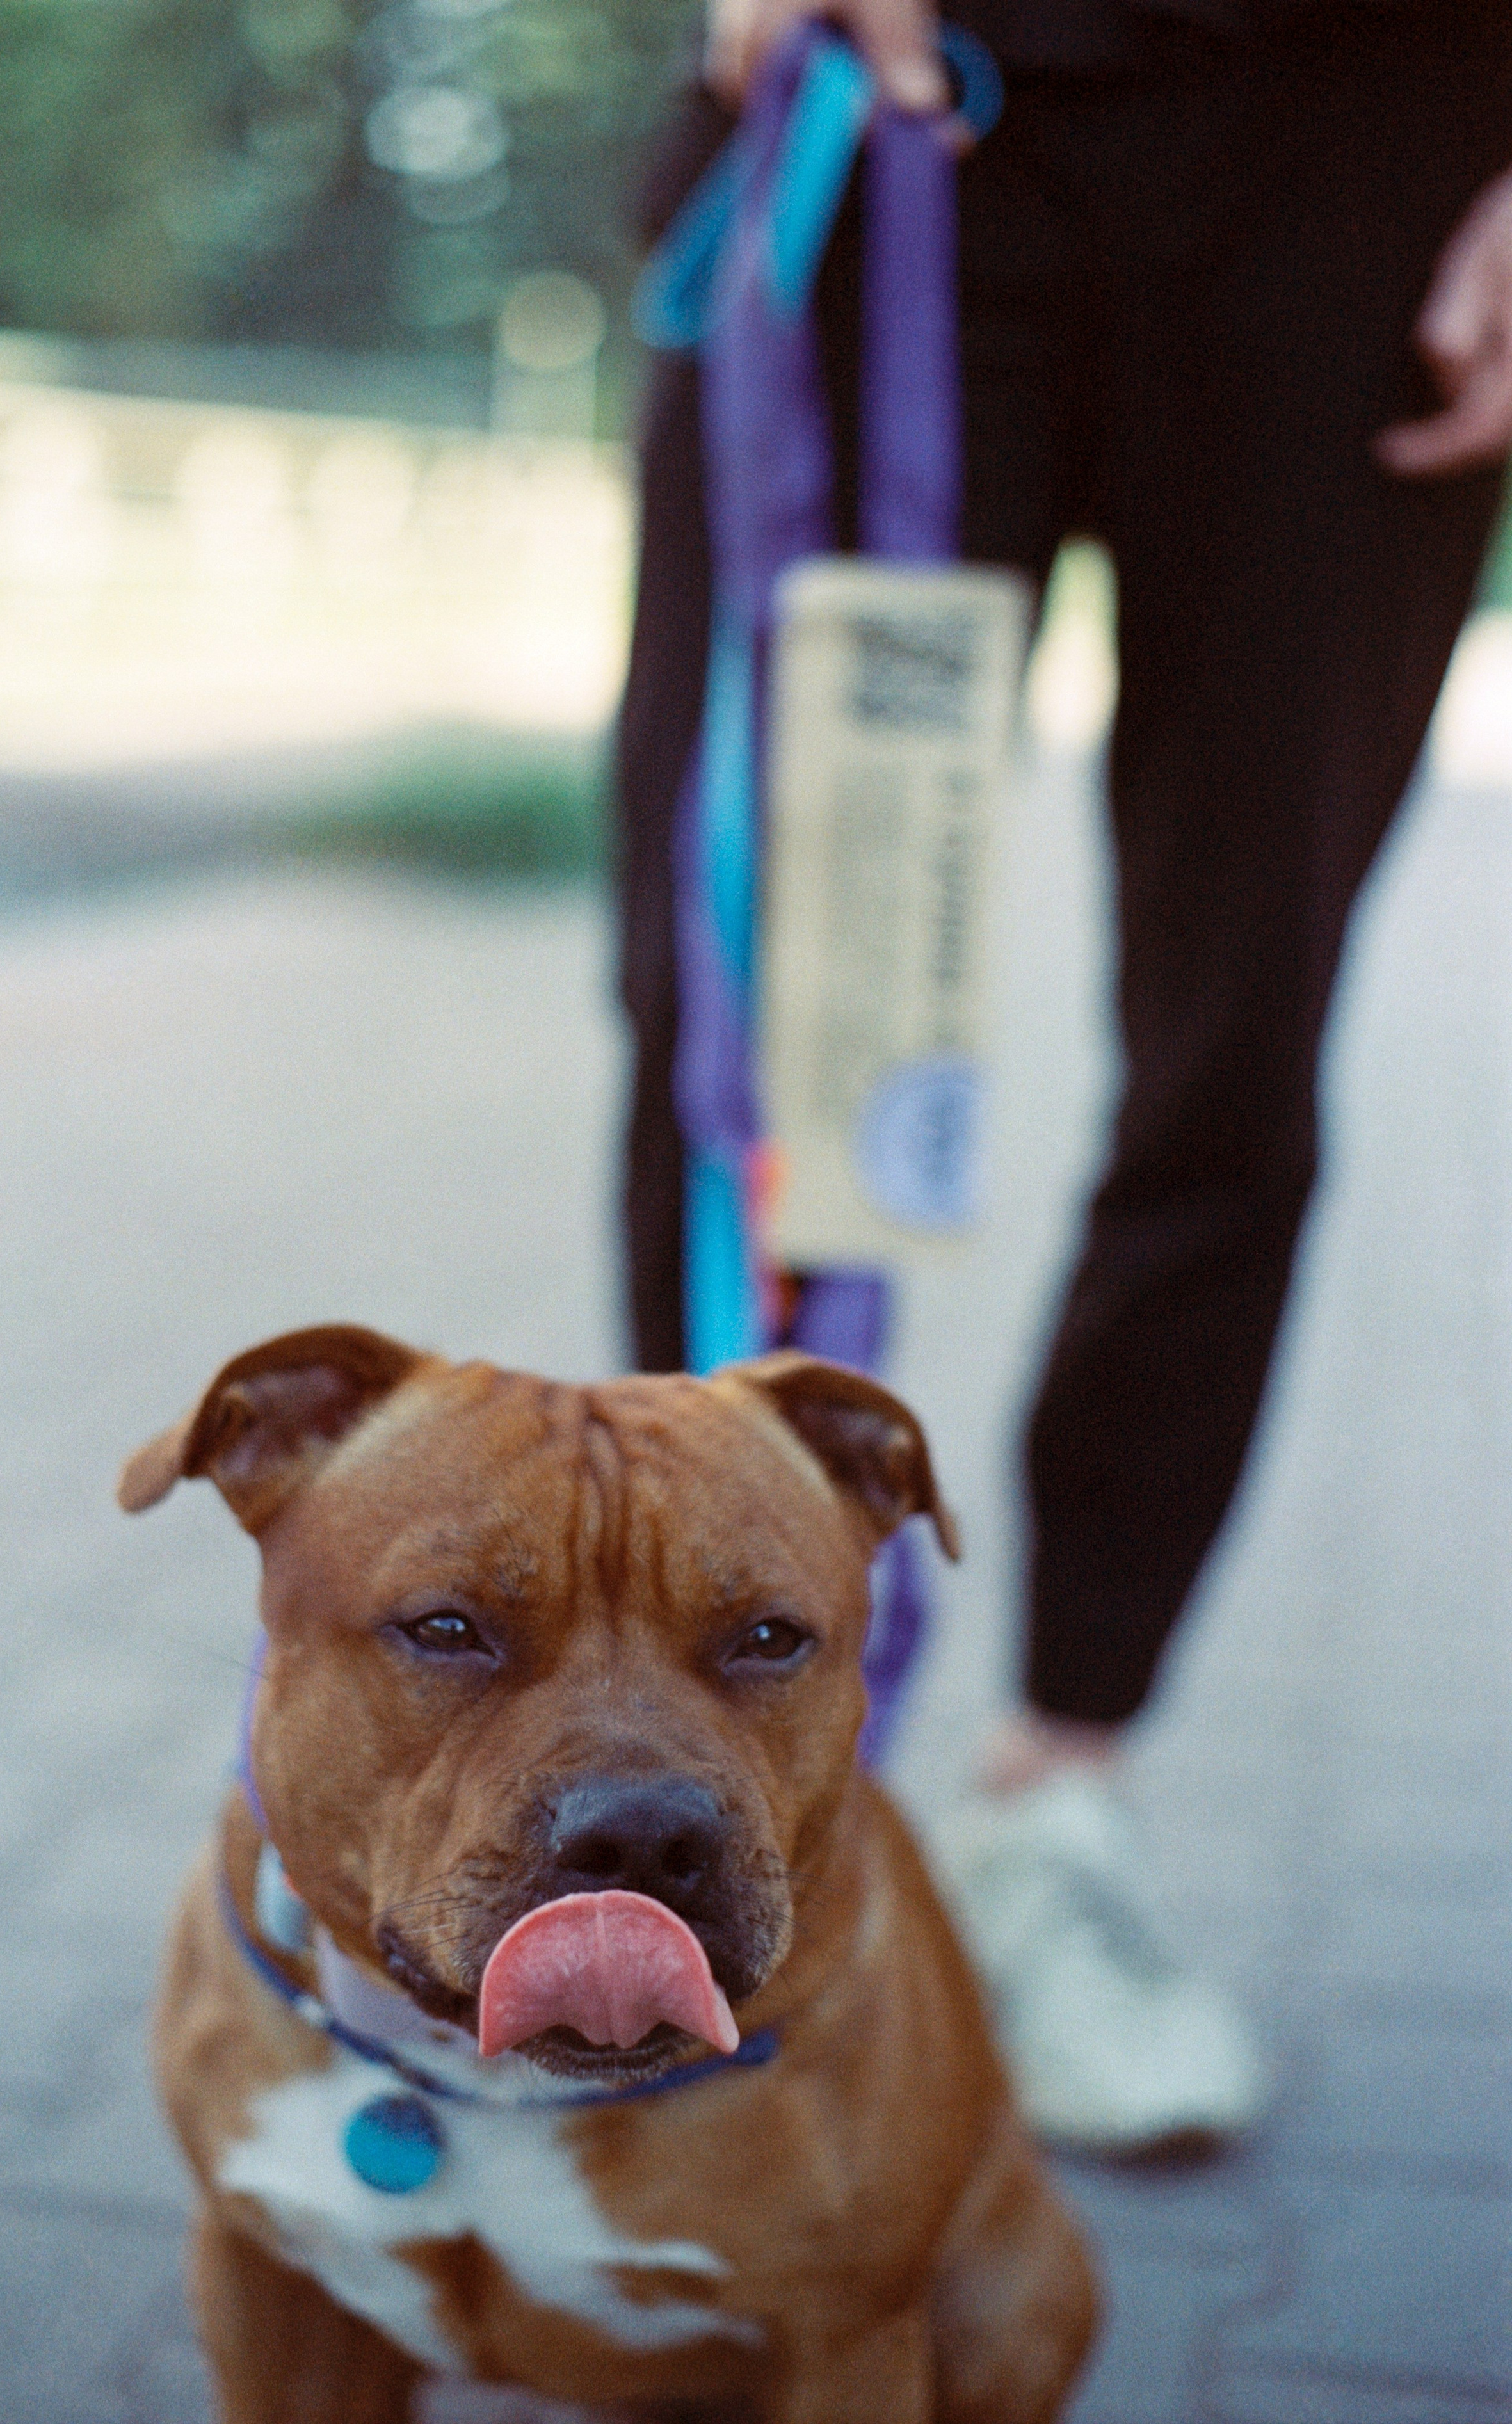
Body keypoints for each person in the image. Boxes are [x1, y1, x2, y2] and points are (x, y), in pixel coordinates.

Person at [615, 0, 1512, 2150]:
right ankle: (693, 1804)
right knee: (753, 1025)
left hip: (1377, 155)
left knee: (1239, 1043)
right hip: (907, 100)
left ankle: (1050, 1812)